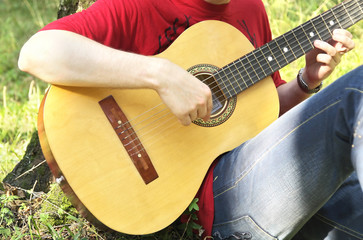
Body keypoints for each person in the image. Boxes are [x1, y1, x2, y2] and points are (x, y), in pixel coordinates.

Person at [18, 0, 363, 239]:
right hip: (217, 206)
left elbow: (263, 112)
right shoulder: (140, 5)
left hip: (268, 183)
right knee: (356, 93)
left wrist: (306, 81)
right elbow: (38, 52)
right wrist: (160, 74)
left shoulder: (249, 9)